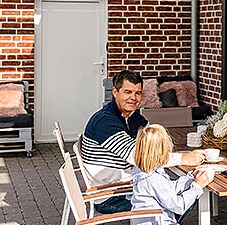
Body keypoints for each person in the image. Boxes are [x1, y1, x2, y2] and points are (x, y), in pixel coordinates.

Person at [80, 70, 205, 215]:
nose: (133, 98)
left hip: (128, 183)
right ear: (115, 92)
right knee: (172, 202)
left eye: (137, 93)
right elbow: (142, 158)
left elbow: (154, 147)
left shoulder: (135, 118)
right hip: (109, 196)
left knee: (182, 189)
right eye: (127, 92)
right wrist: (183, 158)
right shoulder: (105, 122)